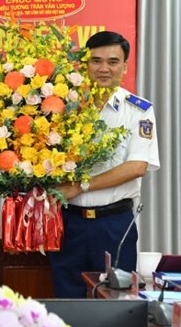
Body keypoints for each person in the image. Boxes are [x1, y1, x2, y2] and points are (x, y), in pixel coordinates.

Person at [48, 31, 161, 298]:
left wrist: (81, 186)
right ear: (85, 64)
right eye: (96, 61)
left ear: (125, 66)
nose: (103, 68)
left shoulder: (138, 110)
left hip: (113, 225)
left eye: (112, 61)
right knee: (66, 302)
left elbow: (136, 167)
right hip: (67, 222)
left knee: (115, 305)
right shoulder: (64, 106)